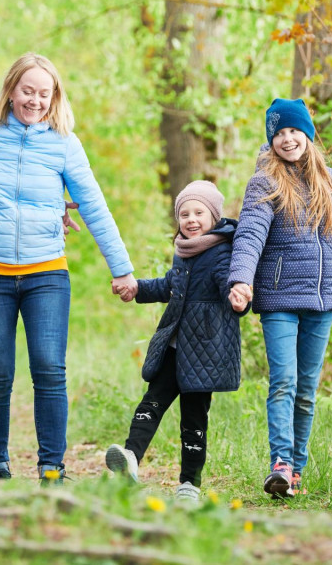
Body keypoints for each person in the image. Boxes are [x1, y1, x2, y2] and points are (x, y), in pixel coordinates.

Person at [0, 53, 138, 483]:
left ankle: (52, 468)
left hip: (46, 274)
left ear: (55, 97)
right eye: (27, 91)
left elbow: (93, 205)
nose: (35, 101)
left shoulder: (65, 144)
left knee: (49, 369)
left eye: (44, 93)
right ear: (11, 90)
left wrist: (122, 268)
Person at [227, 98, 332, 497]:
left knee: (306, 391)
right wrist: (241, 281)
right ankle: (281, 464)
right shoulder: (265, 183)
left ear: (308, 134)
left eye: (294, 131)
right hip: (278, 301)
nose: (287, 139)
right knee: (284, 382)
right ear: (271, 140)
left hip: (322, 303)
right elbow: (249, 236)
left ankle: (296, 473)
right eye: (279, 133)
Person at [104, 181, 246, 503]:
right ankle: (130, 458)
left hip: (205, 350)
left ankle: (189, 485)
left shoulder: (222, 252)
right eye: (184, 214)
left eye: (199, 212)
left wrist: (238, 298)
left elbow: (230, 285)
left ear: (213, 216)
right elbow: (168, 285)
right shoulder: (183, 251)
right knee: (151, 401)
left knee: (194, 420)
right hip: (174, 347)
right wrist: (137, 289)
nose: (191, 219)